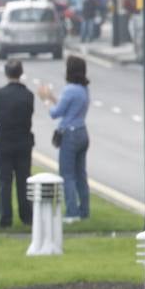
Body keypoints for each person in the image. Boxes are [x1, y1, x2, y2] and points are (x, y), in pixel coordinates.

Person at [38, 55, 90, 223]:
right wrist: (53, 97)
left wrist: (45, 99)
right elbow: (67, 107)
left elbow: (56, 113)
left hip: (70, 134)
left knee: (67, 175)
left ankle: (72, 212)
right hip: (82, 132)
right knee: (81, 174)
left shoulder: (69, 89)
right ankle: (84, 210)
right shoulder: (84, 89)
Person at [0, 59, 35, 230]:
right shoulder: (28, 95)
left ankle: (5, 218)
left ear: (6, 73)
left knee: (4, 180)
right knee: (24, 179)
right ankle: (27, 216)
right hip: (23, 140)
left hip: (3, 140)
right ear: (21, 73)